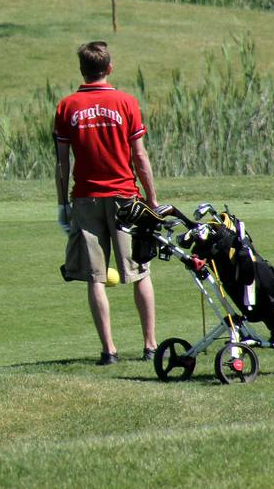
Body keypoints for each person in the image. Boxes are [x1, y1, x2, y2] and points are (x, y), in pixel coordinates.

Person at [54, 41, 158, 365]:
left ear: (82, 70)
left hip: (85, 198)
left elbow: (61, 163)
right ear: (109, 68)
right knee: (140, 271)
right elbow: (139, 157)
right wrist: (152, 199)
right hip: (125, 195)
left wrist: (62, 204)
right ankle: (150, 345)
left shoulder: (67, 107)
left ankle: (109, 350)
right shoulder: (126, 102)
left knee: (95, 277)